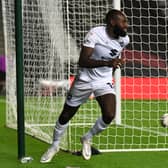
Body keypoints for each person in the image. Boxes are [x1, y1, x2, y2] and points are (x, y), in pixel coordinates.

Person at [40, 9, 129, 163]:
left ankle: (87, 138)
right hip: (84, 80)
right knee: (66, 114)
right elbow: (83, 61)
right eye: (123, 22)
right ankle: (54, 145)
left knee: (109, 115)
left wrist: (114, 65)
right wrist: (109, 63)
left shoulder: (124, 39)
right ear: (112, 22)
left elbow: (115, 57)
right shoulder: (95, 33)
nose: (126, 26)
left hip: (104, 81)